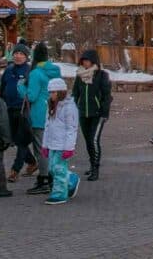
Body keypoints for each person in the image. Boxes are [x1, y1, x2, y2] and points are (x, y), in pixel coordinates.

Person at [19, 43, 61, 196]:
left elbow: (31, 96)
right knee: (51, 147)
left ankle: (44, 178)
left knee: (40, 149)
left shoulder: (36, 73)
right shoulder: (55, 71)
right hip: (53, 112)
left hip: (38, 114)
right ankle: (53, 177)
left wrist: (20, 87)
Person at [72, 49, 111, 181]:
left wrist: (104, 112)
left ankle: (96, 168)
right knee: (88, 141)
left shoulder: (101, 75)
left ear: (93, 61)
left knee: (94, 140)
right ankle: (91, 165)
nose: (85, 63)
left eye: (87, 60)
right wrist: (73, 108)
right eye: (83, 60)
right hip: (83, 113)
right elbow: (75, 93)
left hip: (97, 113)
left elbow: (106, 95)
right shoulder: (79, 75)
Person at [40, 78, 80, 205]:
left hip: (63, 144)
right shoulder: (51, 106)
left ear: (60, 92)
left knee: (58, 169)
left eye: (53, 92)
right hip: (52, 143)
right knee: (52, 168)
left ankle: (59, 193)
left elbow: (71, 129)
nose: (51, 95)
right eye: (50, 92)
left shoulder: (69, 107)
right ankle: (71, 179)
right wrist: (45, 145)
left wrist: (69, 148)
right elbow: (47, 126)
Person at [0, 43, 36, 182]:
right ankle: (32, 162)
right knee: (14, 139)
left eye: (21, 54)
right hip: (9, 109)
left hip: (23, 109)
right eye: (16, 53)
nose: (18, 56)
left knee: (22, 140)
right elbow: (2, 88)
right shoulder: (8, 70)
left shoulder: (30, 71)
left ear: (26, 56)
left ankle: (15, 170)